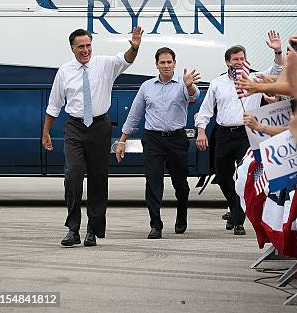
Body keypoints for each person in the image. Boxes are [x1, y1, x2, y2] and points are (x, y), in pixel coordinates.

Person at [42, 27, 142, 247]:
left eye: (88, 45)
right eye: (81, 46)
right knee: (73, 176)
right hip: (74, 127)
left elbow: (126, 59)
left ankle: (92, 231)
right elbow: (54, 104)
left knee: (98, 179)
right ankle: (73, 229)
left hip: (99, 126)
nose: (85, 50)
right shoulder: (64, 71)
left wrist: (134, 46)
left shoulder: (104, 64)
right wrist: (46, 132)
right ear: (72, 48)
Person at [195, 31, 284, 236]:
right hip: (224, 133)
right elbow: (207, 109)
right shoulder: (218, 83)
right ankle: (234, 207)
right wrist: (201, 131)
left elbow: (278, 70)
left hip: (247, 133)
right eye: (235, 59)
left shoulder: (255, 78)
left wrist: (277, 50)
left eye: (242, 59)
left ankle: (238, 219)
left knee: (244, 176)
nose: (238, 62)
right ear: (227, 62)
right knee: (223, 176)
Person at [115, 47, 200, 239]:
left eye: (170, 62)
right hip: (153, 139)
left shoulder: (182, 84)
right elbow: (135, 114)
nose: (166, 65)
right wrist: (122, 141)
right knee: (153, 181)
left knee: (181, 184)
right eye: (163, 62)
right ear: (156, 65)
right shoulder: (146, 86)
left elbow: (194, 96)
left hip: (176, 139)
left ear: (175, 63)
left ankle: (182, 215)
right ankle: (155, 224)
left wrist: (189, 86)